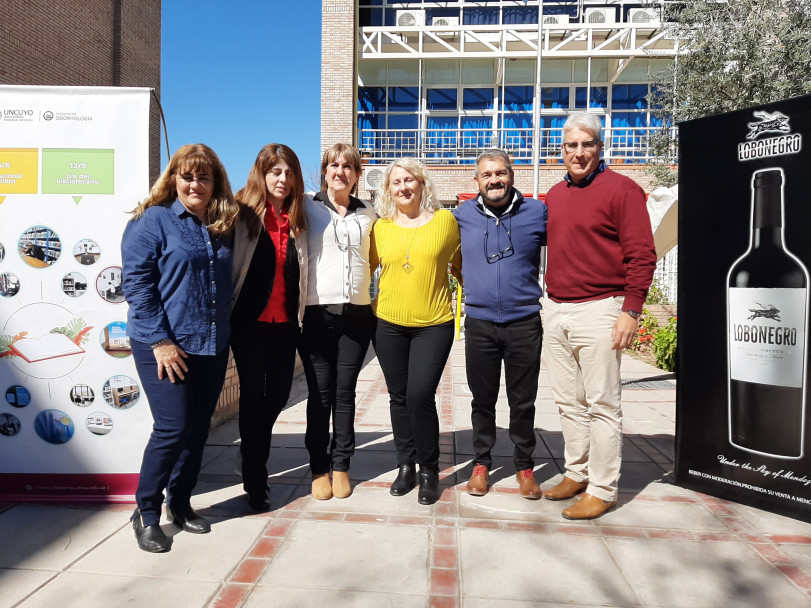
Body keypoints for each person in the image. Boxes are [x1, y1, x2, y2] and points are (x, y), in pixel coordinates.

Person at [122, 143, 238, 552]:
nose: (195, 184)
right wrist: (160, 341)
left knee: (197, 429)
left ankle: (181, 503)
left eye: (204, 177)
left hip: (210, 342)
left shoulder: (222, 224)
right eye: (187, 176)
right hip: (164, 344)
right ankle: (146, 511)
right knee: (172, 428)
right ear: (173, 178)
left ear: (215, 183)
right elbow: (136, 285)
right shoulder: (152, 221)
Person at [543, 113, 656, 520]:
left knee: (602, 404)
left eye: (586, 144)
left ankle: (604, 489)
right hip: (556, 308)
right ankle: (577, 473)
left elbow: (643, 255)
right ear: (561, 151)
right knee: (567, 402)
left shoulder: (624, 191)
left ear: (600, 147)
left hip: (601, 309)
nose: (578, 152)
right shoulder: (554, 195)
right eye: (571, 145)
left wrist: (631, 310)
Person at [453, 149, 547, 500]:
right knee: (483, 400)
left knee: (523, 401)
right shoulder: (461, 216)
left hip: (524, 322)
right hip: (479, 323)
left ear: (512, 174)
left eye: (500, 173)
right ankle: (482, 463)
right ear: (476, 181)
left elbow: (573, 245)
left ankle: (524, 465)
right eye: (487, 175)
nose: (494, 180)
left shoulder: (537, 212)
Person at [371, 158, 461, 505]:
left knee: (421, 395)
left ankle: (428, 469)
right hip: (388, 324)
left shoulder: (446, 222)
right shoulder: (380, 229)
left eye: (410, 180)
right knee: (399, 397)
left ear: (423, 185)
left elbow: (462, 264)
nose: (404, 187)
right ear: (389, 189)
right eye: (397, 182)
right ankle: (405, 466)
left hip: (433, 324)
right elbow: (364, 270)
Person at [230, 144, 308, 512]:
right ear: (261, 174)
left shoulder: (297, 218)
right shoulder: (240, 213)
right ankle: (255, 481)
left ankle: (251, 445)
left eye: (289, 172)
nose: (283, 179)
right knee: (252, 397)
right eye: (276, 172)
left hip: (286, 322)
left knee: (277, 395)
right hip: (249, 323)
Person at [299, 143, 376, 500]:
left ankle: (342, 465)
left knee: (345, 395)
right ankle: (318, 468)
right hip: (316, 314)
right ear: (324, 171)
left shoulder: (369, 213)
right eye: (334, 165)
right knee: (320, 395)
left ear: (357, 174)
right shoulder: (306, 205)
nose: (340, 171)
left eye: (348, 166)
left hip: (357, 316)